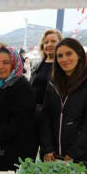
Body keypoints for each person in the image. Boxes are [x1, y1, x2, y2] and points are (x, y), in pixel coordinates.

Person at [40, 38, 87, 163]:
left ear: (79, 54)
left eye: (69, 54)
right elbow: (46, 116)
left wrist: (74, 153)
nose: (64, 59)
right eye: (60, 56)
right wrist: (47, 147)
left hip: (78, 155)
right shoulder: (54, 80)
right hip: (52, 155)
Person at [29, 29, 62, 160]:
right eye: (46, 42)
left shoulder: (63, 66)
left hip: (52, 118)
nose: (49, 44)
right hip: (34, 116)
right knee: (28, 155)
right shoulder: (37, 65)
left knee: (48, 156)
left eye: (53, 41)